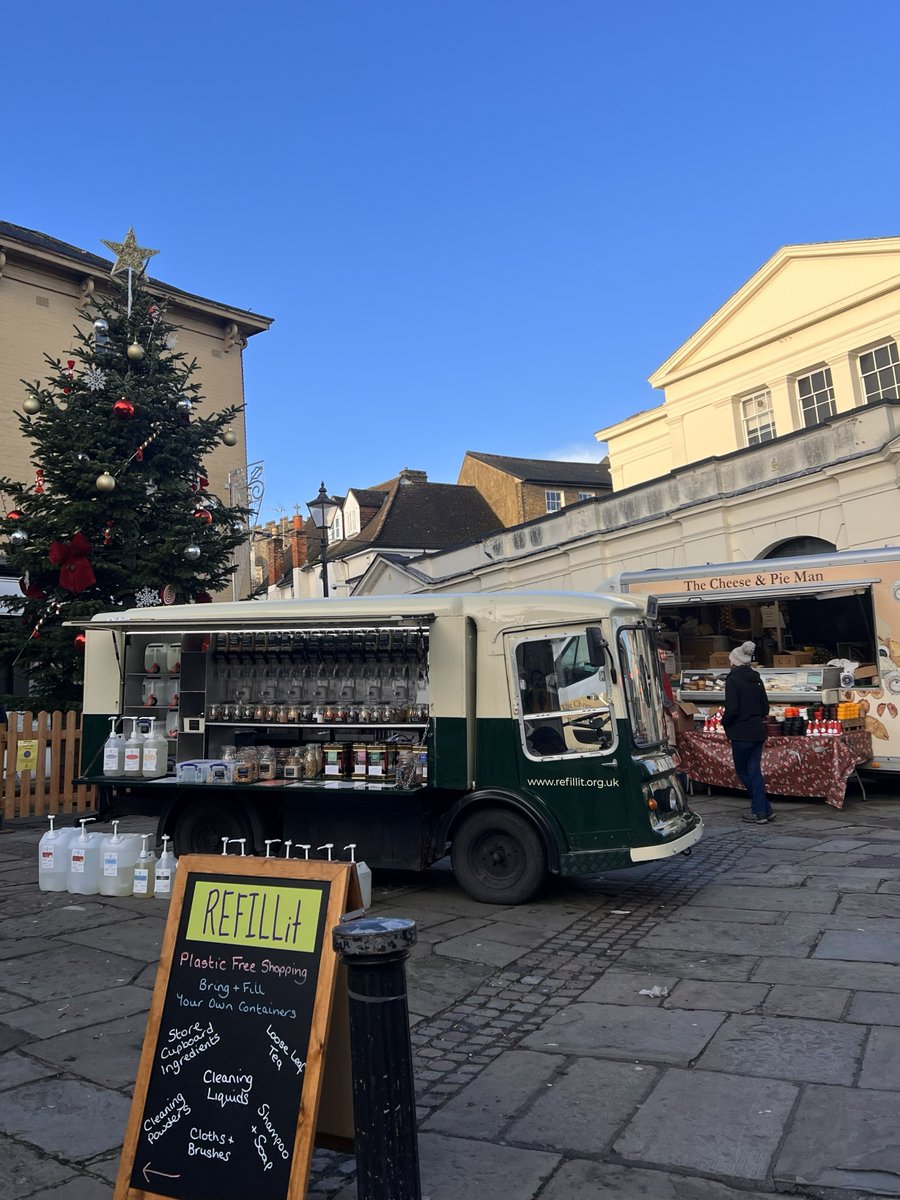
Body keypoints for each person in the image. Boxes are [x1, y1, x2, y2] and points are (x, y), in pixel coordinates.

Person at [723, 640, 775, 824]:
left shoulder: (733, 680)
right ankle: (765, 809)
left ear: (734, 661)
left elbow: (732, 708)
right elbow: (765, 708)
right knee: (755, 771)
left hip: (740, 731)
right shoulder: (757, 678)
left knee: (743, 771)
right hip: (757, 730)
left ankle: (759, 810)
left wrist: (725, 723)